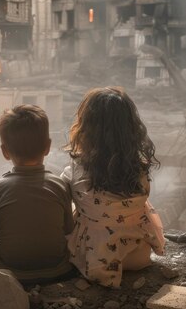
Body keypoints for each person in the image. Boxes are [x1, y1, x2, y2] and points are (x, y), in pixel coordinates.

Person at [61, 86, 165, 287]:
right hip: (138, 256)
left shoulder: (75, 170)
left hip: (96, 261)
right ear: (132, 129)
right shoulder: (139, 169)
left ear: (85, 128)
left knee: (76, 206)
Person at [0, 105, 74, 281]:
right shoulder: (59, 185)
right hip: (57, 269)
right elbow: (68, 228)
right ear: (48, 147)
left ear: (4, 151)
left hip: (10, 268)